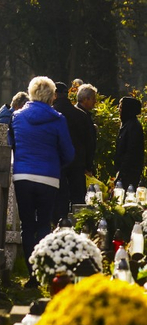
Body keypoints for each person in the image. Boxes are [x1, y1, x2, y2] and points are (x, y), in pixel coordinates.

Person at [9, 76, 74, 288]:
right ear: (52, 95)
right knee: (44, 223)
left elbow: (13, 145)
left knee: (27, 225)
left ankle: (32, 275)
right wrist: (55, 165)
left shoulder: (17, 117)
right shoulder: (58, 119)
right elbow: (69, 153)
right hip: (48, 176)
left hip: (23, 176)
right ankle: (44, 271)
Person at [52, 82, 93, 224]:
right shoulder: (81, 115)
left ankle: (59, 226)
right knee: (78, 199)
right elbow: (89, 143)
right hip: (77, 162)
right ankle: (80, 227)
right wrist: (89, 165)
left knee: (59, 198)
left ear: (54, 94)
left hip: (58, 162)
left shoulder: (52, 113)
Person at [114, 96, 144, 190]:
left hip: (129, 172)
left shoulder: (133, 126)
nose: (119, 110)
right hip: (124, 171)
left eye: (121, 107)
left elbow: (131, 151)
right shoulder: (127, 125)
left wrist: (122, 172)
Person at [75, 84, 97, 176]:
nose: (95, 102)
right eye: (93, 99)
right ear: (85, 99)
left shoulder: (85, 114)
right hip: (80, 166)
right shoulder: (79, 115)